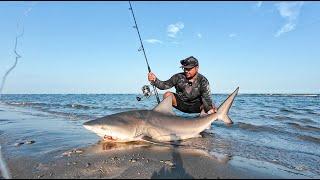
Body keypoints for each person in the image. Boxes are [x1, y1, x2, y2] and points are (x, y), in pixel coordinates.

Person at [148, 56, 217, 116]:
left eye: (189, 69)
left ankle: (203, 125)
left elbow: (207, 99)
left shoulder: (203, 81)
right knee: (167, 94)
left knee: (210, 106)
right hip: (182, 104)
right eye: (184, 68)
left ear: (197, 68)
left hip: (196, 106)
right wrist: (154, 80)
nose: (186, 71)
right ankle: (167, 118)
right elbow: (163, 86)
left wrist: (210, 110)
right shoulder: (178, 77)